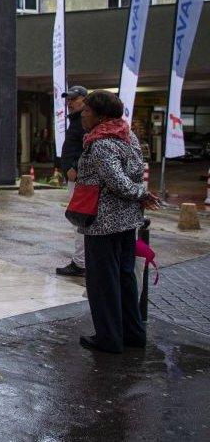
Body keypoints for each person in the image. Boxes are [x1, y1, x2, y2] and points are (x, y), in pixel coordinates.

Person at [76, 90, 159, 353]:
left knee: (103, 282)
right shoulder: (127, 135)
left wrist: (141, 194)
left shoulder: (100, 143)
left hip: (103, 223)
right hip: (127, 222)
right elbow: (134, 173)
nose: (82, 114)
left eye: (87, 110)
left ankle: (109, 337)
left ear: (100, 115)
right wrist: (139, 195)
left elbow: (118, 181)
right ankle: (133, 334)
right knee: (125, 278)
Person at [58, 85, 89, 277]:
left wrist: (75, 168)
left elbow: (89, 147)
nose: (70, 103)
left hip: (79, 180)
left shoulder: (84, 122)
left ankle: (81, 263)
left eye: (73, 99)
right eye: (68, 100)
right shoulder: (76, 121)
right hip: (75, 179)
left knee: (81, 222)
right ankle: (81, 261)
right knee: (80, 222)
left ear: (84, 100)